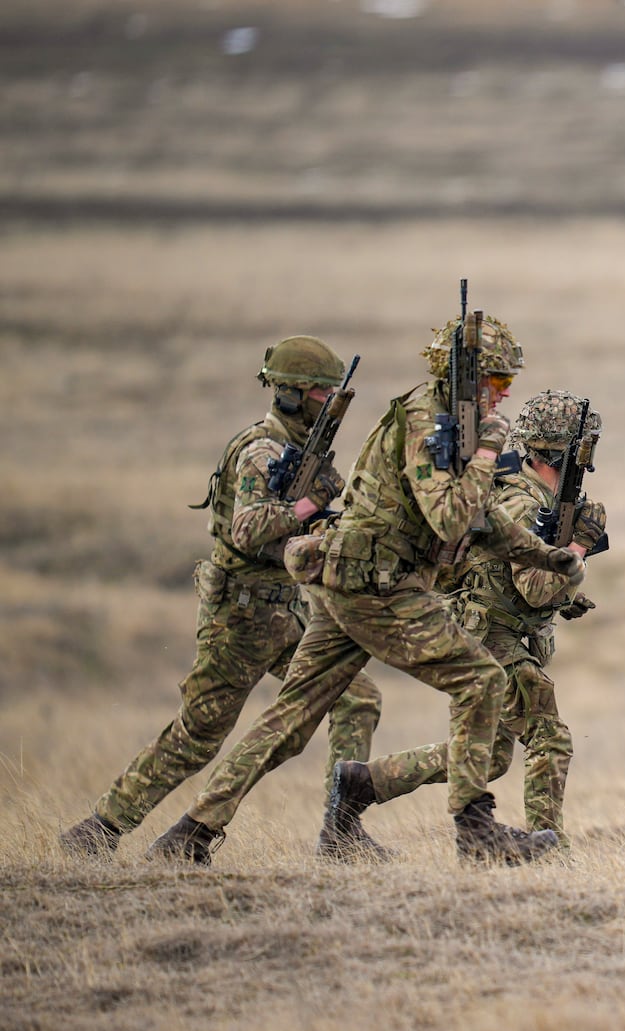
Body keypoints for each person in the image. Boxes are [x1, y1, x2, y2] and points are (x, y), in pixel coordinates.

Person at [145, 309, 583, 868]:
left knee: (289, 722)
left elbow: (480, 524)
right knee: (481, 681)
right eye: (495, 382)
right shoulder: (431, 422)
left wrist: (544, 555)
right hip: (378, 587)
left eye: (508, 384)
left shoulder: (445, 421)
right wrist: (489, 454)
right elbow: (451, 519)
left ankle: (189, 835)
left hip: (348, 578)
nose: (501, 396)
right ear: (464, 378)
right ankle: (476, 834)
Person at [58, 338, 382, 859]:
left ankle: (340, 833)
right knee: (198, 736)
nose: (330, 399)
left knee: (356, 696)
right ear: (293, 394)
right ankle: (98, 831)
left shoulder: (297, 452)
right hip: (240, 616)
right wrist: (309, 503)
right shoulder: (261, 451)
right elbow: (249, 529)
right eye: (322, 390)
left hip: (286, 611)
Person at [321, 390, 605, 852]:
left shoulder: (521, 492)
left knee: (489, 756)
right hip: (494, 637)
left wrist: (565, 597)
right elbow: (534, 584)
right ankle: (549, 849)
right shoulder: (523, 503)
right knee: (549, 738)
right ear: (563, 450)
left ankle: (362, 783)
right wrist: (578, 551)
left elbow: (517, 584)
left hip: (495, 630)